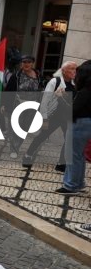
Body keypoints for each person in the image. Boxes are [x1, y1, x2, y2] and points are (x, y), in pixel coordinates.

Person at [23, 61, 77, 172]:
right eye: (71, 69)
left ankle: (61, 163)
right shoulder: (55, 81)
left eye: (75, 69)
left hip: (67, 117)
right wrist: (44, 117)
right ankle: (28, 155)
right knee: (42, 135)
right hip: (54, 115)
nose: (74, 71)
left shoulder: (75, 84)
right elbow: (45, 101)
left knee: (69, 140)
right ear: (64, 71)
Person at [56, 60, 91, 197]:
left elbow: (72, 111)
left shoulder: (85, 91)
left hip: (80, 123)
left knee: (73, 155)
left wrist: (61, 98)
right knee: (79, 155)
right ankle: (79, 183)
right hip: (86, 123)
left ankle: (71, 185)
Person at [4, 55, 41, 157]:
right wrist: (5, 104)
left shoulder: (38, 75)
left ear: (32, 63)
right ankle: (14, 149)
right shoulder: (16, 76)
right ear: (21, 64)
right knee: (15, 127)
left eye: (28, 62)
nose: (26, 64)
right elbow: (8, 91)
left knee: (25, 128)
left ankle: (17, 145)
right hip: (18, 104)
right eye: (24, 62)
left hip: (32, 106)